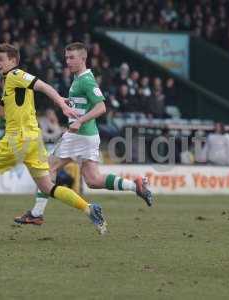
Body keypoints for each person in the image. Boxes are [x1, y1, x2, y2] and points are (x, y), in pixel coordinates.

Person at [0, 43, 107, 234]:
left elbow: (43, 85)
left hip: (17, 140)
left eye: (1, 59)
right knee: (47, 186)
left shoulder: (16, 75)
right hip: (33, 141)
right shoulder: (9, 81)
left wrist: (61, 104)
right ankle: (89, 208)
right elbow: (3, 111)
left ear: (13, 61)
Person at [15, 42, 152, 226]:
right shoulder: (78, 78)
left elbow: (101, 107)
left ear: (83, 58)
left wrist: (79, 121)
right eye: (66, 58)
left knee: (48, 168)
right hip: (88, 136)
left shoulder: (86, 80)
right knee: (93, 180)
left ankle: (37, 213)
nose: (68, 61)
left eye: (72, 58)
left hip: (80, 135)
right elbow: (83, 105)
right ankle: (134, 186)